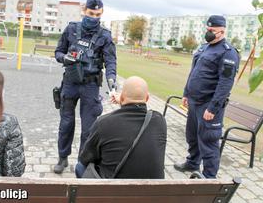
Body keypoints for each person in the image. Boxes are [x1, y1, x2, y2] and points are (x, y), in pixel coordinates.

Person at [54, 0, 117, 174]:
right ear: (84, 11)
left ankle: (83, 162)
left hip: (90, 86)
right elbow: (58, 51)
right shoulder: (71, 29)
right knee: (66, 124)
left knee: (88, 129)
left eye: (98, 15)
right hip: (70, 83)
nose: (94, 17)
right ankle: (62, 157)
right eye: (91, 13)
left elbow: (111, 62)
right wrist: (64, 58)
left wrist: (112, 81)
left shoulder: (105, 36)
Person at [174, 15, 240, 178]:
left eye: (212, 30)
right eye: (207, 29)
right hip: (194, 102)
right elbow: (193, 73)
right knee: (192, 136)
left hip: (208, 105)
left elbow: (225, 83)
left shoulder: (228, 53)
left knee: (208, 141)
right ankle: (192, 163)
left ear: (222, 31)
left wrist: (213, 107)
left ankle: (209, 177)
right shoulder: (204, 48)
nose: (208, 32)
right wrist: (186, 93)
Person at [75, 76, 167, 178]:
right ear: (147, 98)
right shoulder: (160, 120)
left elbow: (86, 158)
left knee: (80, 166)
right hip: (153, 192)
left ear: (122, 98)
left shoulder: (103, 123)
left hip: (112, 191)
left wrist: (124, 101)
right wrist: (125, 101)